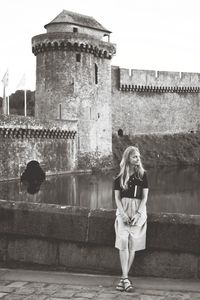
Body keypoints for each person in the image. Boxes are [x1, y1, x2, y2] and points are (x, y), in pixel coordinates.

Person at [114, 146, 149, 292]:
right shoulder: (119, 177)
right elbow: (117, 198)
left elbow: (145, 197)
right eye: (135, 156)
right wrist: (122, 213)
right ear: (128, 158)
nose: (138, 159)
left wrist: (138, 213)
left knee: (132, 243)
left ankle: (124, 278)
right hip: (123, 210)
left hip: (137, 211)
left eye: (138, 156)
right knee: (123, 241)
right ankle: (126, 279)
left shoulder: (142, 175)